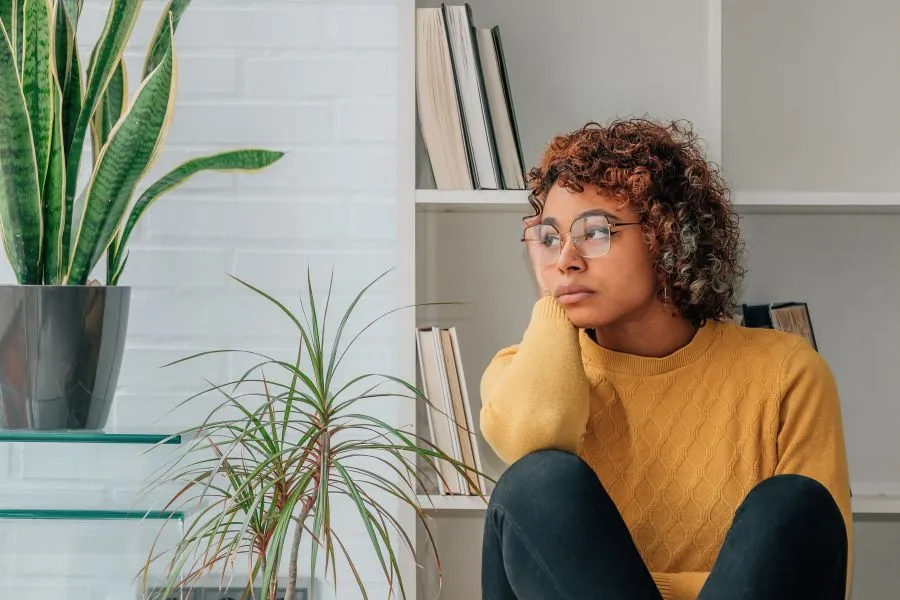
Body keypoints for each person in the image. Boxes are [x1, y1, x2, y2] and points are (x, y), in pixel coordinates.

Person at [478, 118, 853, 600]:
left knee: (794, 503)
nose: (565, 257)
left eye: (594, 232)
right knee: (537, 481)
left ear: (668, 240)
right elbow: (537, 436)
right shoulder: (518, 371)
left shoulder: (786, 374)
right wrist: (557, 299)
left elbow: (814, 566)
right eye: (549, 238)